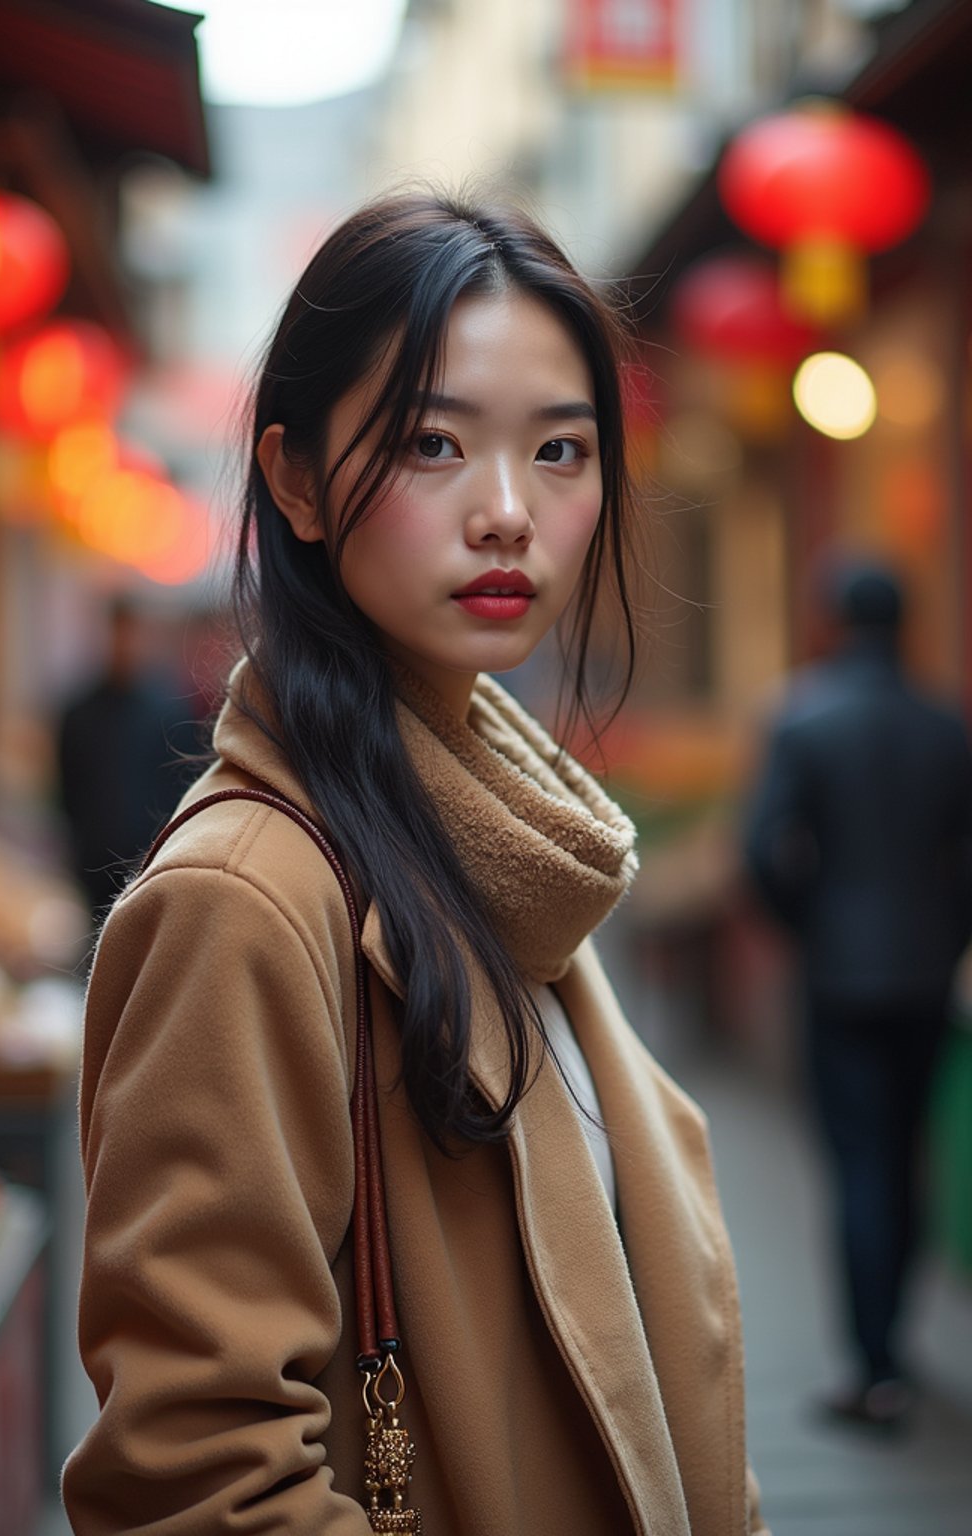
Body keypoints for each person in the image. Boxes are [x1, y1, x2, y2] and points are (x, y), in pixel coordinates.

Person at [63, 192, 768, 1535]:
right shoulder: (245, 905)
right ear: (296, 479)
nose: (508, 512)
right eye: (434, 444)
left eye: (560, 451)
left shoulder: (510, 849)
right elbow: (197, 1480)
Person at [744, 558, 972, 1429]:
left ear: (834, 621)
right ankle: (897, 1351)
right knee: (907, 1155)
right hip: (924, 973)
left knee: (857, 1166)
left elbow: (764, 851)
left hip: (838, 976)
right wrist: (947, 935)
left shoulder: (805, 722)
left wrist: (810, 928)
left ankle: (870, 1365)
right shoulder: (944, 725)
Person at [56, 597, 198, 928]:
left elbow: (183, 785)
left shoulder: (170, 712)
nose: (127, 644)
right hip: (94, 860)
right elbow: (68, 790)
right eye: (121, 633)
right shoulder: (79, 713)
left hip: (154, 858)